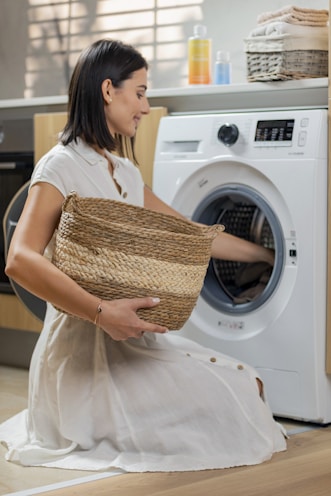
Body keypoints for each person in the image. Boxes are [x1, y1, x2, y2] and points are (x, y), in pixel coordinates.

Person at [0, 39, 286, 472]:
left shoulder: (125, 173)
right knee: (229, 412)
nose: (147, 107)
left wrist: (270, 255)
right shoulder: (59, 166)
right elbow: (19, 259)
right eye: (140, 92)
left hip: (132, 341)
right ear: (108, 90)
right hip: (81, 360)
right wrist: (101, 312)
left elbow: (193, 236)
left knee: (251, 385)